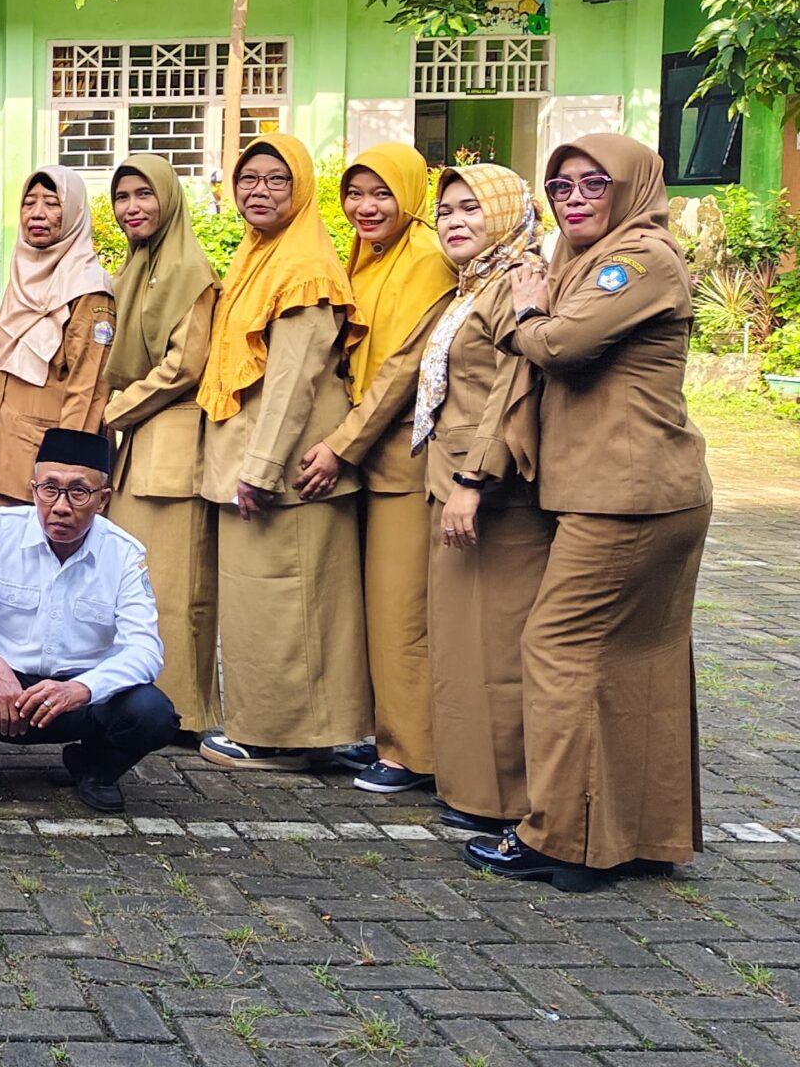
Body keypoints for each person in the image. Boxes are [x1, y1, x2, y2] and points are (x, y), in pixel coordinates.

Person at [468, 135, 710, 891]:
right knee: (634, 664)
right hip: (635, 490)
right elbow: (529, 334)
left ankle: (561, 839)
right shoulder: (587, 259)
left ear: (632, 186)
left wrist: (527, 307)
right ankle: (638, 834)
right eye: (560, 186)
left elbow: (561, 344)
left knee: (560, 650)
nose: (573, 198)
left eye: (593, 184)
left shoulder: (637, 260)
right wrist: (534, 309)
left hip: (625, 496)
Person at [194, 134, 368, 771]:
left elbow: (295, 380)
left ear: (301, 189)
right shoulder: (258, 255)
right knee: (263, 606)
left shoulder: (304, 268)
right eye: (248, 179)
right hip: (253, 461)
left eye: (276, 180)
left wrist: (262, 470)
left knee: (288, 608)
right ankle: (277, 729)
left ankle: (282, 738)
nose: (258, 191)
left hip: (283, 471)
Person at [294, 143, 460, 794]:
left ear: (410, 194)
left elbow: (401, 371)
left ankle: (414, 753)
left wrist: (341, 445)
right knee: (374, 609)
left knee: (401, 613)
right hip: (373, 458)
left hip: (402, 460)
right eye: (355, 194)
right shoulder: (371, 255)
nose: (365, 207)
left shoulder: (423, 259)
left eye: (382, 193)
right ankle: (388, 734)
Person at [0, 429, 176, 814]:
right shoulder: (0, 530)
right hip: (0, 696)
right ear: (33, 489)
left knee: (153, 713)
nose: (61, 506)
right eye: (49, 489)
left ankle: (95, 770)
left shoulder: (123, 554)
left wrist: (83, 688)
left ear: (103, 500)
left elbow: (146, 651)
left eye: (79, 492)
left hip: (76, 702)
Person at [403, 165, 548, 837]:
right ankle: (471, 788)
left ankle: (505, 796)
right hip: (455, 482)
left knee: (496, 651)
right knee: (463, 645)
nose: (455, 221)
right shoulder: (473, 286)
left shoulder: (519, 281)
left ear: (508, 212)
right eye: (446, 211)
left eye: (472, 208)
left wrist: (473, 481)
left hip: (493, 494)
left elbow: (511, 394)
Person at [100, 156, 221, 739]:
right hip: (140, 441)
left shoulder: (189, 270)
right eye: (122, 197)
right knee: (138, 583)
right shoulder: (132, 269)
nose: (132, 208)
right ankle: (138, 700)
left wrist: (112, 410)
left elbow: (184, 366)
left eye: (144, 194)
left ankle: (183, 710)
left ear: (169, 198)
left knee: (176, 587)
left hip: (175, 440)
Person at [0, 166, 114, 510]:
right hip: (1, 455)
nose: (37, 214)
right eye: (29, 203)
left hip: (47, 470)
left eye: (52, 204)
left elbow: (88, 388)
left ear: (74, 213)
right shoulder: (23, 275)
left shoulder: (88, 288)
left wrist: (64, 472)